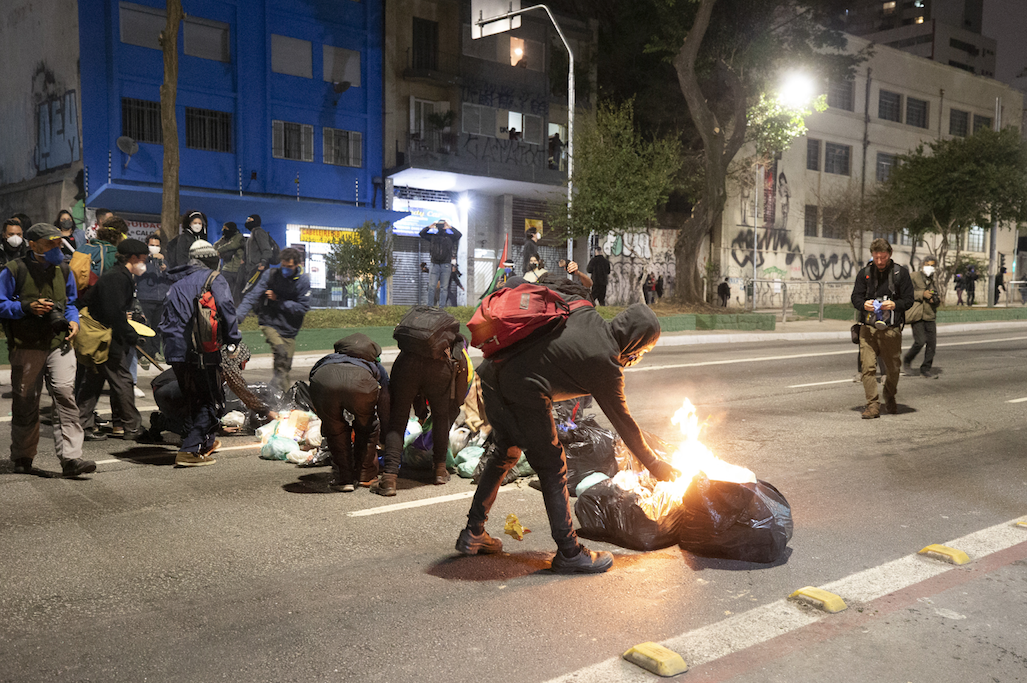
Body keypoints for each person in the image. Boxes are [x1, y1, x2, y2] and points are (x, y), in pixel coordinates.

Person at [456, 301, 678, 573]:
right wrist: (657, 466)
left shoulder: (587, 316)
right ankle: (569, 551)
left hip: (492, 374)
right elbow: (625, 424)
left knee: (506, 451)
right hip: (523, 389)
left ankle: (473, 532)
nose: (639, 357)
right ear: (634, 341)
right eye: (643, 350)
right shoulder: (605, 362)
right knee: (553, 466)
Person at [0, 223, 95, 477]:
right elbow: (1, 304)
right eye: (50, 243)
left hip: (59, 343)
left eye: (57, 243)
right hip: (27, 345)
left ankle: (71, 458)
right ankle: (22, 455)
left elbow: (71, 303)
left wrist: (73, 320)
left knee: (65, 396)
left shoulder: (64, 270)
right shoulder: (14, 270)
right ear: (33, 244)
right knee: (25, 400)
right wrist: (26, 308)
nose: (56, 247)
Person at [159, 240, 242, 467]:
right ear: (211, 259)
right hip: (202, 351)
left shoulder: (177, 283)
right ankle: (189, 450)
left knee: (193, 399)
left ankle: (204, 443)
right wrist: (233, 339)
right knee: (212, 401)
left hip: (176, 351)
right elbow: (226, 307)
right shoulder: (214, 279)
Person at [377, 321, 470, 496]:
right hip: (440, 368)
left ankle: (389, 478)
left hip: (406, 365)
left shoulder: (414, 341)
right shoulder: (453, 346)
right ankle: (440, 471)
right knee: (441, 417)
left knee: (398, 420)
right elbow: (461, 388)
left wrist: (420, 411)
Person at [75, 239, 150, 441]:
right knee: (123, 380)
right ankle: (132, 428)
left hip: (102, 335)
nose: (145, 263)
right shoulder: (117, 278)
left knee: (93, 381)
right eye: (143, 259)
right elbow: (114, 313)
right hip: (105, 337)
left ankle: (82, 426)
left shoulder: (119, 275)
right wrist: (130, 335)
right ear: (133, 258)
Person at [309, 334, 391, 492]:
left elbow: (313, 382)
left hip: (324, 381)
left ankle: (344, 479)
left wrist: (326, 419)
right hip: (361, 385)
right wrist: (385, 435)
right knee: (368, 426)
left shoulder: (328, 359)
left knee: (335, 429)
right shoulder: (374, 364)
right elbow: (385, 402)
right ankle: (365, 475)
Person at [851, 238, 914, 419]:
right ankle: (872, 405)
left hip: (890, 330)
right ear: (872, 255)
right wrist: (864, 304)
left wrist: (894, 304)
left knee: (893, 368)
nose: (879, 261)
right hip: (868, 329)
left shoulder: (900, 274)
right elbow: (855, 297)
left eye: (883, 257)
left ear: (890, 254)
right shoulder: (865, 274)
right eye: (876, 257)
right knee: (868, 368)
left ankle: (889, 395)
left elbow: (909, 300)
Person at [236, 247, 310, 393]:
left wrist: (279, 300)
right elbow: (253, 296)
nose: (285, 270)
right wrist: (238, 317)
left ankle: (274, 392)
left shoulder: (302, 281)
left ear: (297, 265)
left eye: (289, 267)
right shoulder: (270, 275)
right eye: (283, 266)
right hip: (269, 322)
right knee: (281, 354)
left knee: (284, 367)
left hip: (290, 329)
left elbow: (302, 308)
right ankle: (282, 396)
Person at [902, 257, 940, 379]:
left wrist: (934, 299)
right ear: (922, 265)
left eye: (932, 265)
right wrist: (921, 294)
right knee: (920, 341)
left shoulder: (933, 281)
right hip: (917, 314)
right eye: (927, 265)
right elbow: (904, 292)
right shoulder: (913, 277)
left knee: (932, 344)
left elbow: (938, 298)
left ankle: (925, 369)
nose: (930, 267)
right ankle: (907, 360)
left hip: (929, 315)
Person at [136, 233, 169, 363]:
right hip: (145, 297)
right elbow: (137, 271)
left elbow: (171, 276)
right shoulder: (142, 259)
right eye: (152, 245)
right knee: (144, 327)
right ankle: (143, 353)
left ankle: (155, 352)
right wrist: (149, 257)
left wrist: (165, 268)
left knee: (157, 328)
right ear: (147, 246)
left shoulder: (163, 261)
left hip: (161, 299)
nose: (155, 248)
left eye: (157, 246)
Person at [419, 220, 461, 307]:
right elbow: (422, 234)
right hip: (434, 264)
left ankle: (442, 307)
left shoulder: (450, 237)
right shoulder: (433, 237)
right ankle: (429, 306)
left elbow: (459, 235)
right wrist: (430, 227)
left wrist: (450, 227)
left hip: (446, 265)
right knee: (431, 287)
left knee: (444, 288)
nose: (441, 227)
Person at [240, 214, 276, 294]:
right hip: (251, 269)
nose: (247, 221)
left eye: (250, 220)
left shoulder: (259, 232)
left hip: (258, 269)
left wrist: (263, 263)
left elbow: (267, 250)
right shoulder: (253, 233)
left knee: (255, 293)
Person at [215, 221, 245, 303]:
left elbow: (233, 245)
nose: (224, 231)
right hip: (226, 269)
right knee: (225, 292)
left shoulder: (239, 237)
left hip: (237, 269)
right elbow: (215, 246)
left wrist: (219, 250)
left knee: (237, 292)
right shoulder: (224, 238)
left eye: (226, 229)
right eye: (223, 229)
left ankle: (237, 311)